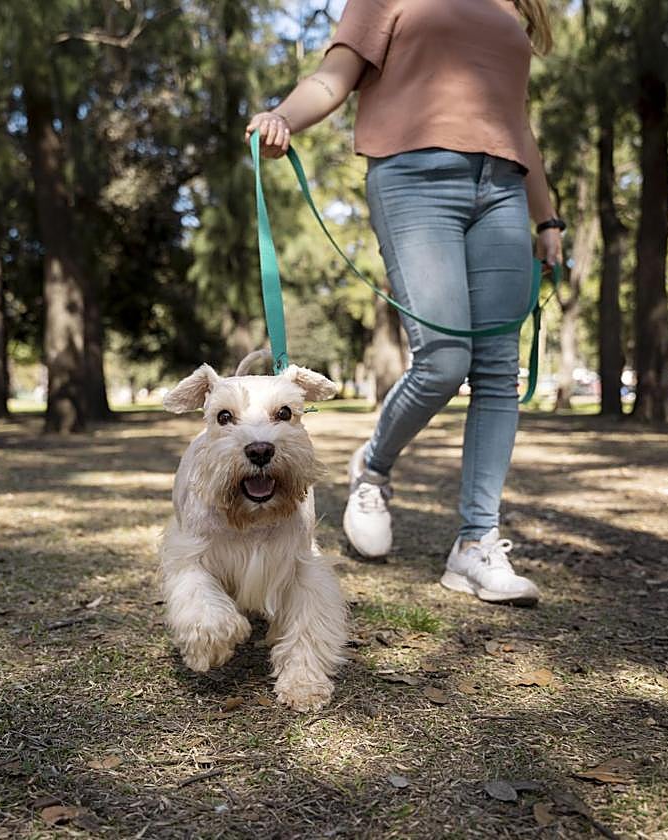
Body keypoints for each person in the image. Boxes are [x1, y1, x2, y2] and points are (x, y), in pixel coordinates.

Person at [245, 0, 563, 607]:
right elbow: (331, 77)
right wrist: (282, 116)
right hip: (414, 177)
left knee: (498, 369)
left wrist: (547, 217)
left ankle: (475, 544)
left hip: (501, 188)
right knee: (445, 359)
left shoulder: (508, 9)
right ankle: (372, 466)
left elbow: (516, 122)